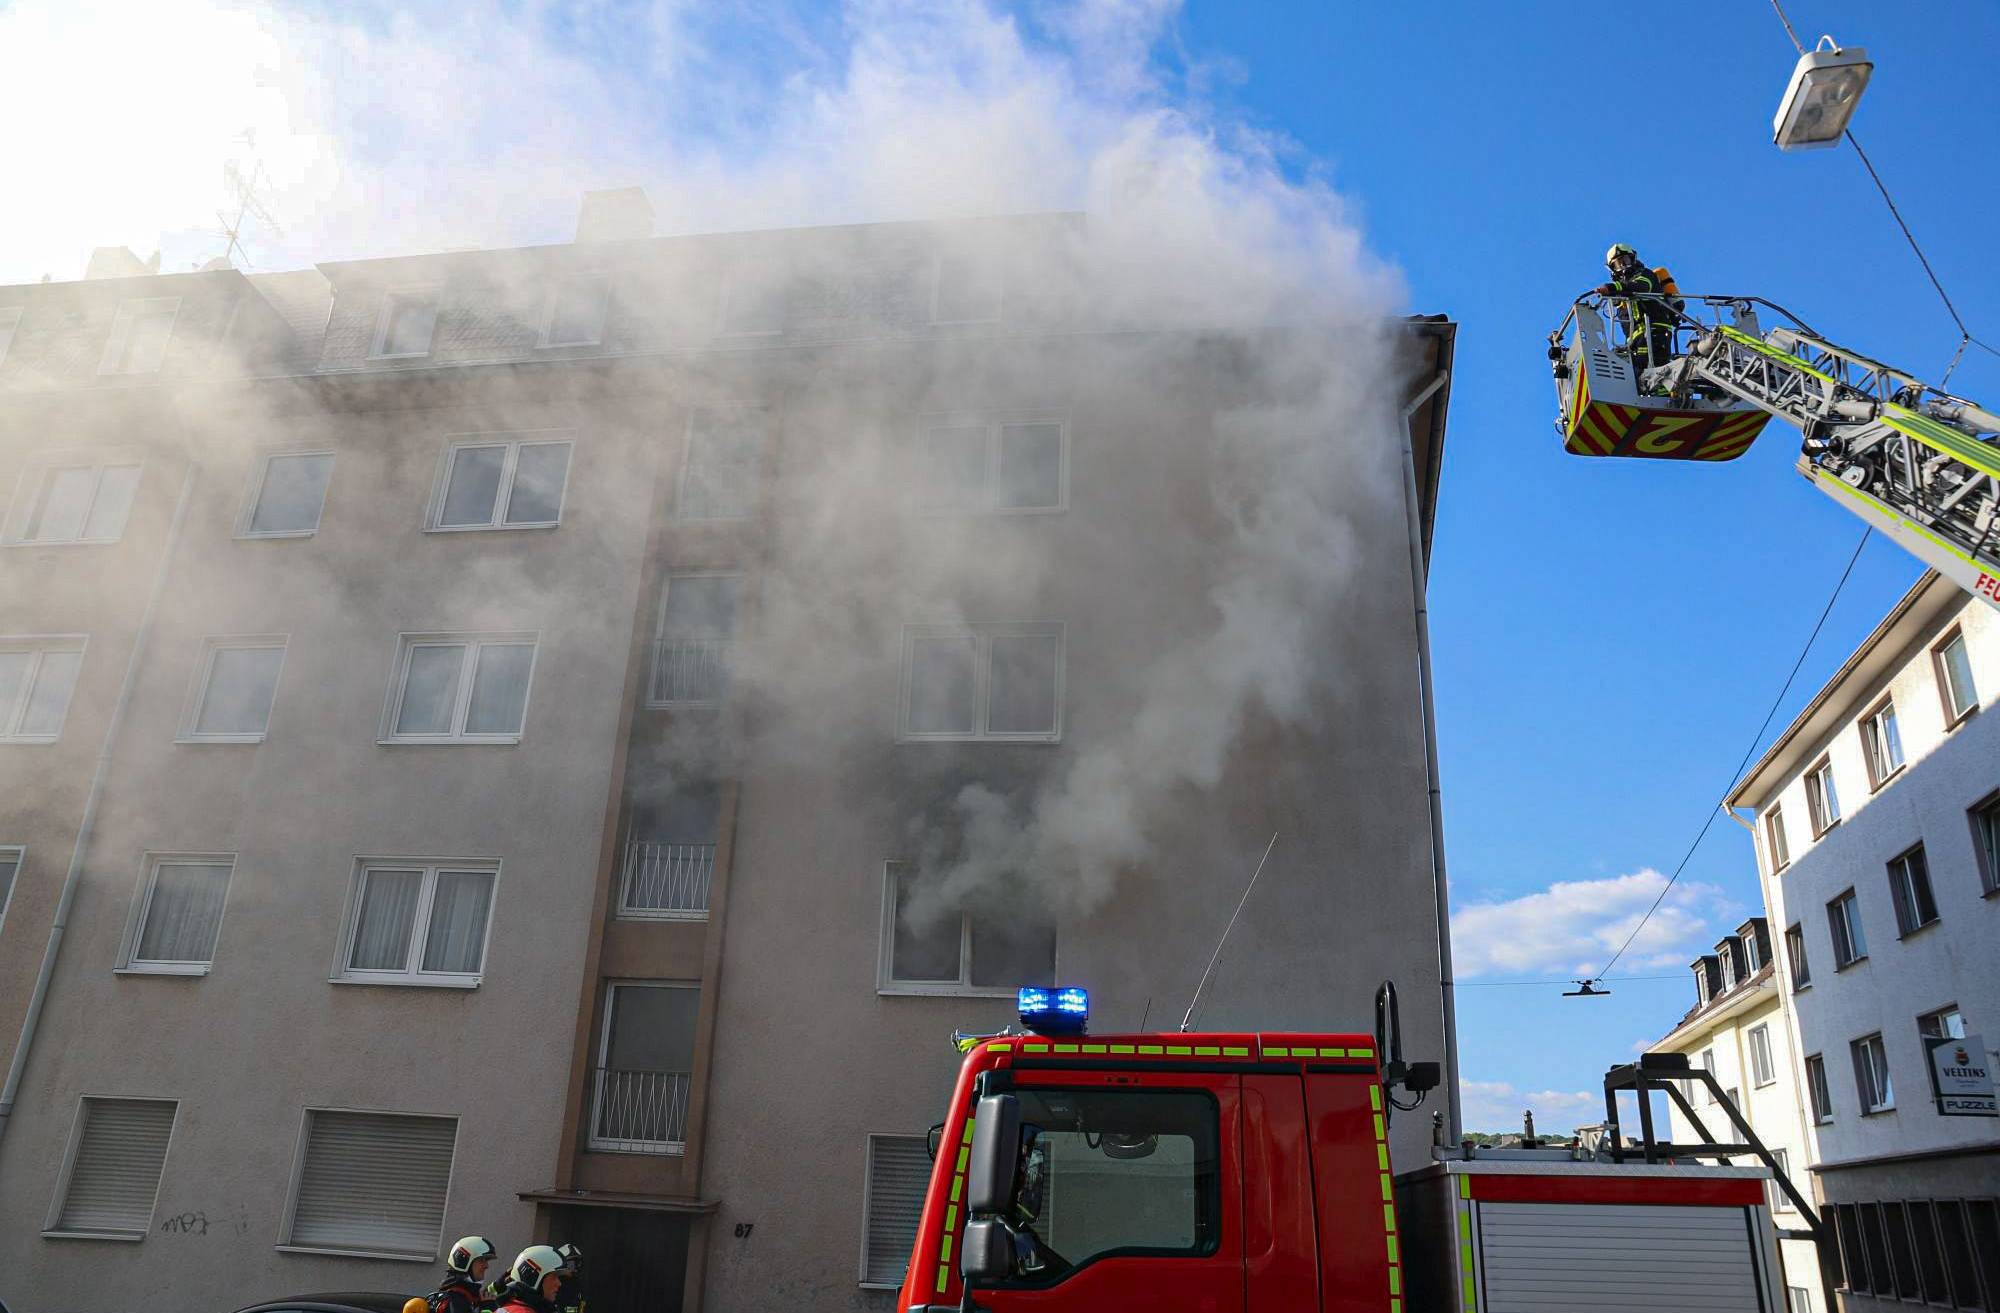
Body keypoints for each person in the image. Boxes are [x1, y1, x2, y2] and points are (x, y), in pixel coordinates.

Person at [1596, 243, 1683, 384]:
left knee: (1651, 373)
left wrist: (1611, 287)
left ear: (1633, 259)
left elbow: (1641, 286)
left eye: (1625, 260)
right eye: (1618, 264)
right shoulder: (1622, 293)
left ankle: (1663, 390)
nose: (1623, 266)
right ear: (1612, 269)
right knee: (1634, 374)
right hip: (1636, 339)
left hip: (1654, 332)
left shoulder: (1645, 275)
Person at [425, 1235, 500, 1313]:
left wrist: (501, 1284)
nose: (486, 1266)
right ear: (463, 1262)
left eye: (486, 1261)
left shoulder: (467, 1295)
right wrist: (487, 1309)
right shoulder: (456, 1300)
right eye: (481, 1260)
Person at [492, 1244, 575, 1313]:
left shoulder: (510, 1308)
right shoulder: (522, 1311)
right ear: (532, 1277)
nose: (559, 1283)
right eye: (554, 1276)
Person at [553, 1242, 586, 1313]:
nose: (574, 1269)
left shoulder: (577, 1287)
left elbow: (580, 1307)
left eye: (577, 1263)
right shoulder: (550, 1283)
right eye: (571, 1264)